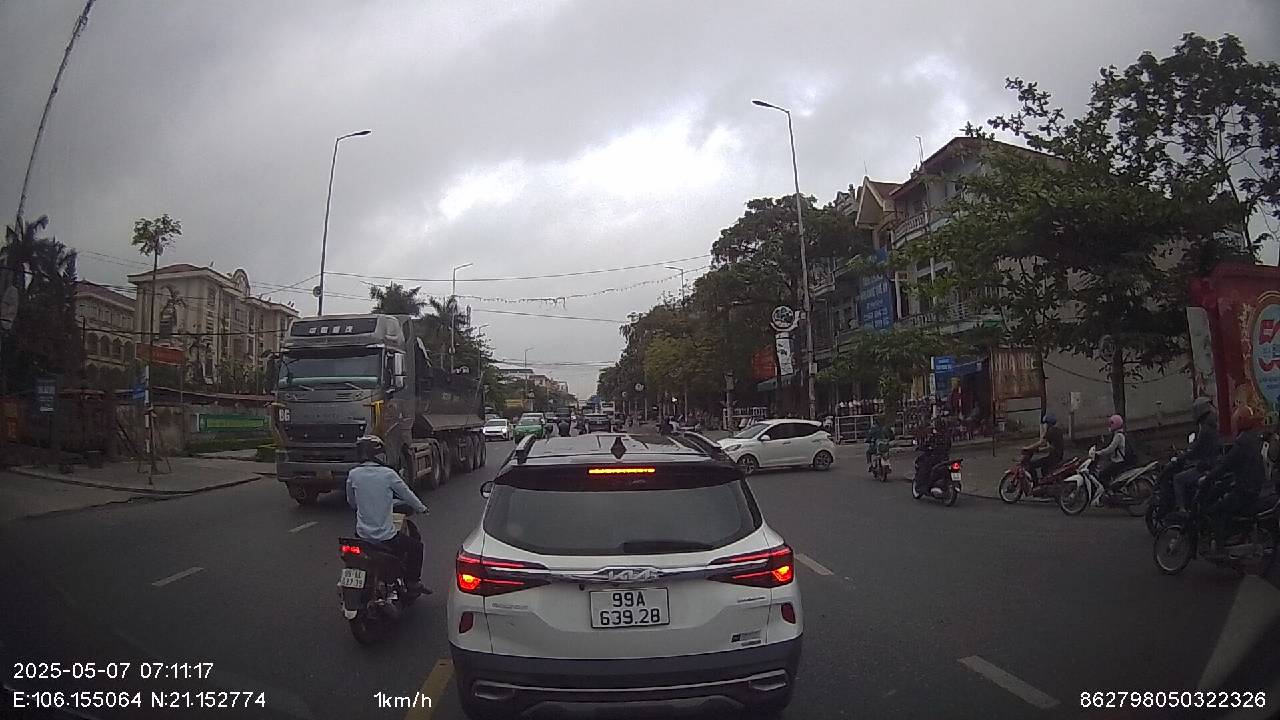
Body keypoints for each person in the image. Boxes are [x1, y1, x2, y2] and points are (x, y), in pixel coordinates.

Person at [346, 435, 429, 596]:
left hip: (362, 535)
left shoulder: (353, 474)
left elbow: (352, 502)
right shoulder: (388, 474)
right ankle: (413, 582)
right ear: (378, 454)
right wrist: (421, 508)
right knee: (416, 547)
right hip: (385, 537)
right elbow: (407, 495)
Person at [1197, 406, 1267, 559]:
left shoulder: (1242, 444)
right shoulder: (1253, 439)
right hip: (1253, 486)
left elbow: (1225, 466)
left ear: (1240, 422)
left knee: (1216, 510)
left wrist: (1209, 478)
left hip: (1245, 490)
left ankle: (1221, 548)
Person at [1172, 397, 1221, 511]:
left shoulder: (1205, 429)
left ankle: (1182, 509)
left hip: (1206, 466)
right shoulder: (1212, 425)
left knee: (1178, 479)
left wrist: (1183, 456)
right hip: (1212, 463)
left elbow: (1197, 449)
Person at [1092, 414, 1130, 502]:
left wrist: (1099, 453)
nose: (1109, 426)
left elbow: (1110, 449)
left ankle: (1110, 494)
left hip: (1118, 462)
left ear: (1115, 424)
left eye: (1111, 424)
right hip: (1118, 460)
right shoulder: (1119, 434)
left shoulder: (1118, 436)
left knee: (1103, 475)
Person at [913, 418, 952, 499]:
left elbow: (928, 444)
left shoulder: (936, 436)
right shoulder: (946, 435)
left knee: (924, 467)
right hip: (944, 458)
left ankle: (924, 484)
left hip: (935, 457)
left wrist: (924, 447)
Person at [1026, 412, 1066, 480]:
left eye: (1045, 423)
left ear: (1048, 423)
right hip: (1058, 456)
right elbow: (1044, 443)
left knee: (1031, 465)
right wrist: (1035, 448)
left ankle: (1035, 482)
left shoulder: (1051, 431)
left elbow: (1042, 442)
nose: (1045, 425)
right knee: (1043, 467)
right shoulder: (1057, 430)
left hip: (1053, 457)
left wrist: (1029, 448)